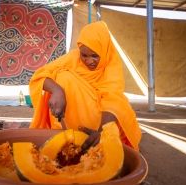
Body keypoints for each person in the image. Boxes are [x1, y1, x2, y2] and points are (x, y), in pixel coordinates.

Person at [29, 21, 142, 151]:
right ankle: (64, 136)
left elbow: (112, 99)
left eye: (95, 56)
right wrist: (57, 91)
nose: (89, 61)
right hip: (69, 120)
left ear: (104, 50)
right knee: (62, 77)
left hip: (101, 119)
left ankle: (92, 138)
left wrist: (102, 132)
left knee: (120, 106)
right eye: (84, 55)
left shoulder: (112, 64)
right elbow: (40, 75)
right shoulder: (73, 57)